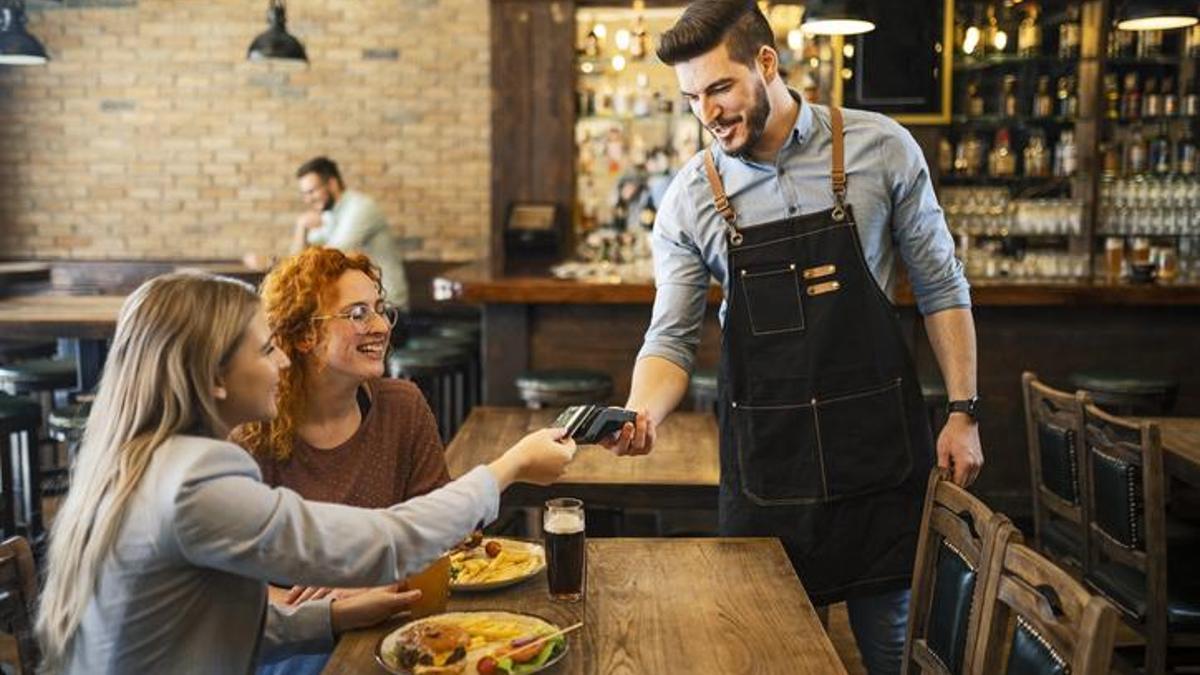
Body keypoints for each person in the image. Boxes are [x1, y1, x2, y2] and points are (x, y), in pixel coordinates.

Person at [606, 1, 983, 673]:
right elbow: (670, 339)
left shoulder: (881, 148)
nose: (707, 113)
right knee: (772, 658)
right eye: (692, 98)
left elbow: (941, 286)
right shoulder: (690, 198)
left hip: (877, 459)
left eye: (720, 88)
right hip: (768, 470)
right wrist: (642, 411)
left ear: (767, 63)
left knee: (894, 652)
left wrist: (963, 411)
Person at [35, 273, 575, 674]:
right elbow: (385, 542)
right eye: (266, 348)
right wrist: (508, 468)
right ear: (215, 377)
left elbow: (207, 623)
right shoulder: (195, 478)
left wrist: (334, 618)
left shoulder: (138, 459)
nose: (282, 362)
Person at [235, 248, 450, 673]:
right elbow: (230, 590)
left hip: (391, 624)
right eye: (357, 313)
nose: (381, 326)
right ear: (303, 335)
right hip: (289, 646)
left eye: (380, 309)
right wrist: (328, 611)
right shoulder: (252, 429)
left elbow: (443, 536)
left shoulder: (402, 406)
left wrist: (374, 585)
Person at [292, 156, 410, 311]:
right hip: (360, 306)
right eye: (305, 194)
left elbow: (330, 257)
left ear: (332, 184)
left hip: (387, 307)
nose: (308, 200)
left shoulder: (360, 208)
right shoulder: (329, 213)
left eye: (312, 191)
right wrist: (301, 227)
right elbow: (297, 263)